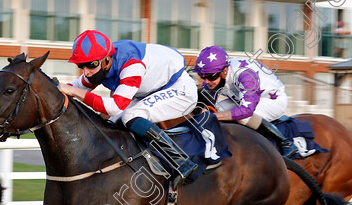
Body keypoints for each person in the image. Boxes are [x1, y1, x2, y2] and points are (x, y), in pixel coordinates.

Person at [58, 30, 199, 186]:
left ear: (107, 59)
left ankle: (181, 162)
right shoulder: (101, 64)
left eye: (91, 65)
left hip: (180, 89)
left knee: (130, 116)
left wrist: (75, 92)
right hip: (148, 91)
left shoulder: (131, 64)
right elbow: (74, 86)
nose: (86, 72)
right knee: (111, 123)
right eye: (81, 65)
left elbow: (114, 107)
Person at [193, 45, 296, 158]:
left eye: (210, 77)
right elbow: (204, 98)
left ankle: (285, 142)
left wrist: (214, 116)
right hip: (248, 99)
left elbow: (246, 110)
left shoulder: (245, 75)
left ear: (225, 71)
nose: (206, 81)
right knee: (220, 107)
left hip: (274, 101)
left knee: (241, 117)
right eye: (202, 76)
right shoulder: (218, 73)